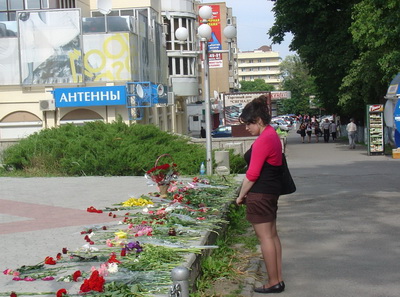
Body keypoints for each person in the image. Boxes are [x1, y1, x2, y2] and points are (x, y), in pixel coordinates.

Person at [236, 96, 285, 294]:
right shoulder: (272, 134)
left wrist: (240, 196)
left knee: (265, 238)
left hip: (260, 194)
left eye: (249, 123)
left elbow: (252, 174)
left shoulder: (264, 139)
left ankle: (273, 282)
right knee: (272, 236)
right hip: (271, 192)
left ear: (258, 120)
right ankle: (278, 279)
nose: (247, 128)